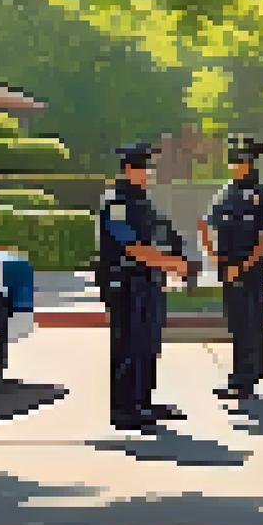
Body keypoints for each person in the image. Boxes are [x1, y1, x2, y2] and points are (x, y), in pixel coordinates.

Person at [98, 143, 197, 431]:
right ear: (129, 169)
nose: (149, 173)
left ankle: (143, 401)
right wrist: (173, 264)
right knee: (130, 344)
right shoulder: (116, 203)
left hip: (148, 281)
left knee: (148, 344)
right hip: (126, 283)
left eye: (149, 167)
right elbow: (133, 248)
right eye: (144, 168)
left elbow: (160, 237)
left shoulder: (141, 202)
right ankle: (125, 409)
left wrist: (177, 258)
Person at [199, 135, 263, 401]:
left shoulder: (262, 195)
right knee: (235, 323)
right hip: (227, 268)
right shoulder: (225, 193)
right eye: (233, 160)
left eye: (241, 161)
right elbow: (205, 225)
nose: (236, 165)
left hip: (249, 269)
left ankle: (247, 378)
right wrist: (214, 257)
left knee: (250, 323)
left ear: (251, 163)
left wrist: (244, 265)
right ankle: (238, 377)